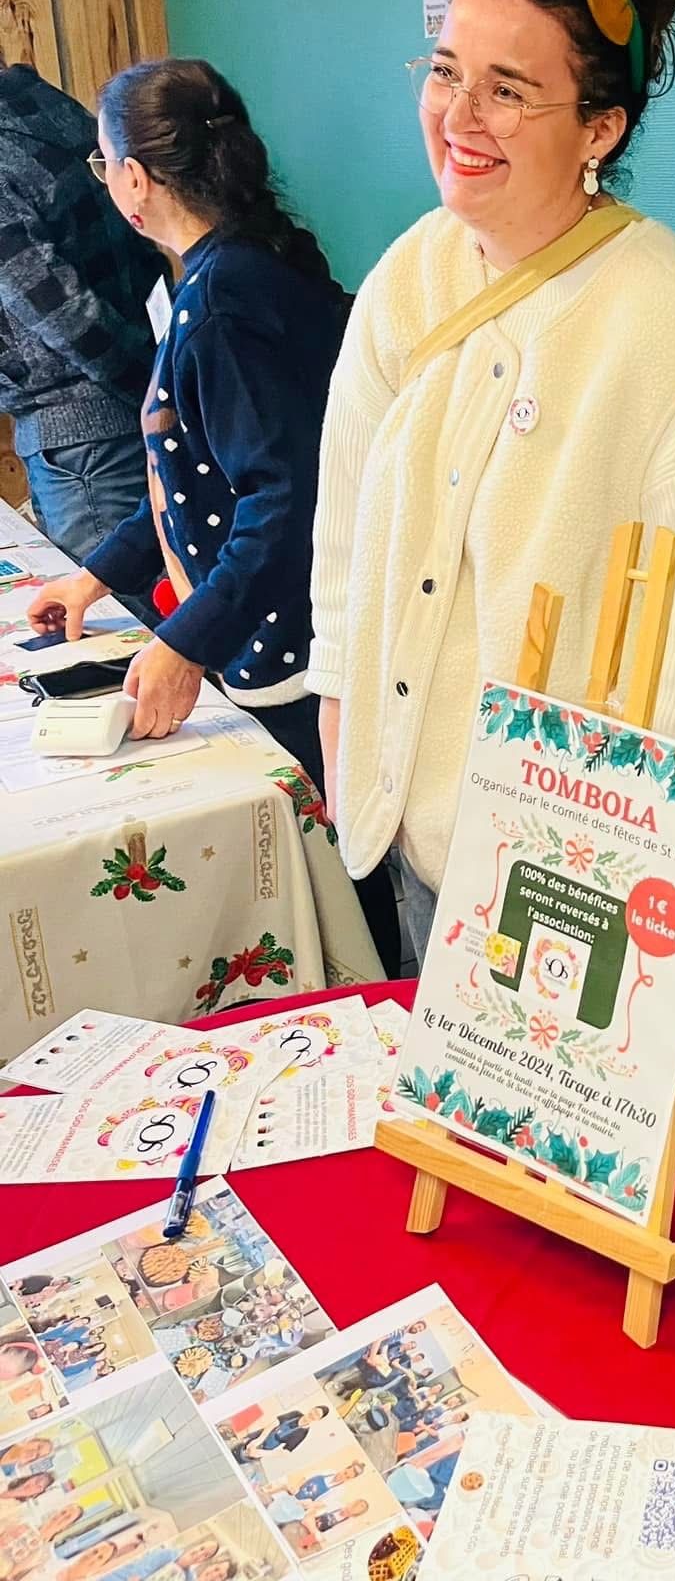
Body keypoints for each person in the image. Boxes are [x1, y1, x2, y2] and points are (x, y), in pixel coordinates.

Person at [310, 0, 675, 961]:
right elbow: (347, 534)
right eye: (446, 71)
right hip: (408, 829)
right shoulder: (413, 275)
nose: (458, 117)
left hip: (571, 881)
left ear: (600, 127)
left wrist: (591, 917)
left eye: (508, 91)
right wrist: (345, 725)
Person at [26, 58, 398, 973]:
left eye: (104, 163)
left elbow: (281, 501)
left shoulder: (223, 306)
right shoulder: (235, 272)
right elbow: (195, 477)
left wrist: (186, 642)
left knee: (342, 881)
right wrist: (98, 576)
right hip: (283, 631)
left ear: (136, 181)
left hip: (293, 652)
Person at [0, 56, 162, 565]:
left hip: (86, 441)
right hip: (117, 407)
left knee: (111, 611)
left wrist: (149, 389)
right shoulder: (39, 102)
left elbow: (61, 311)